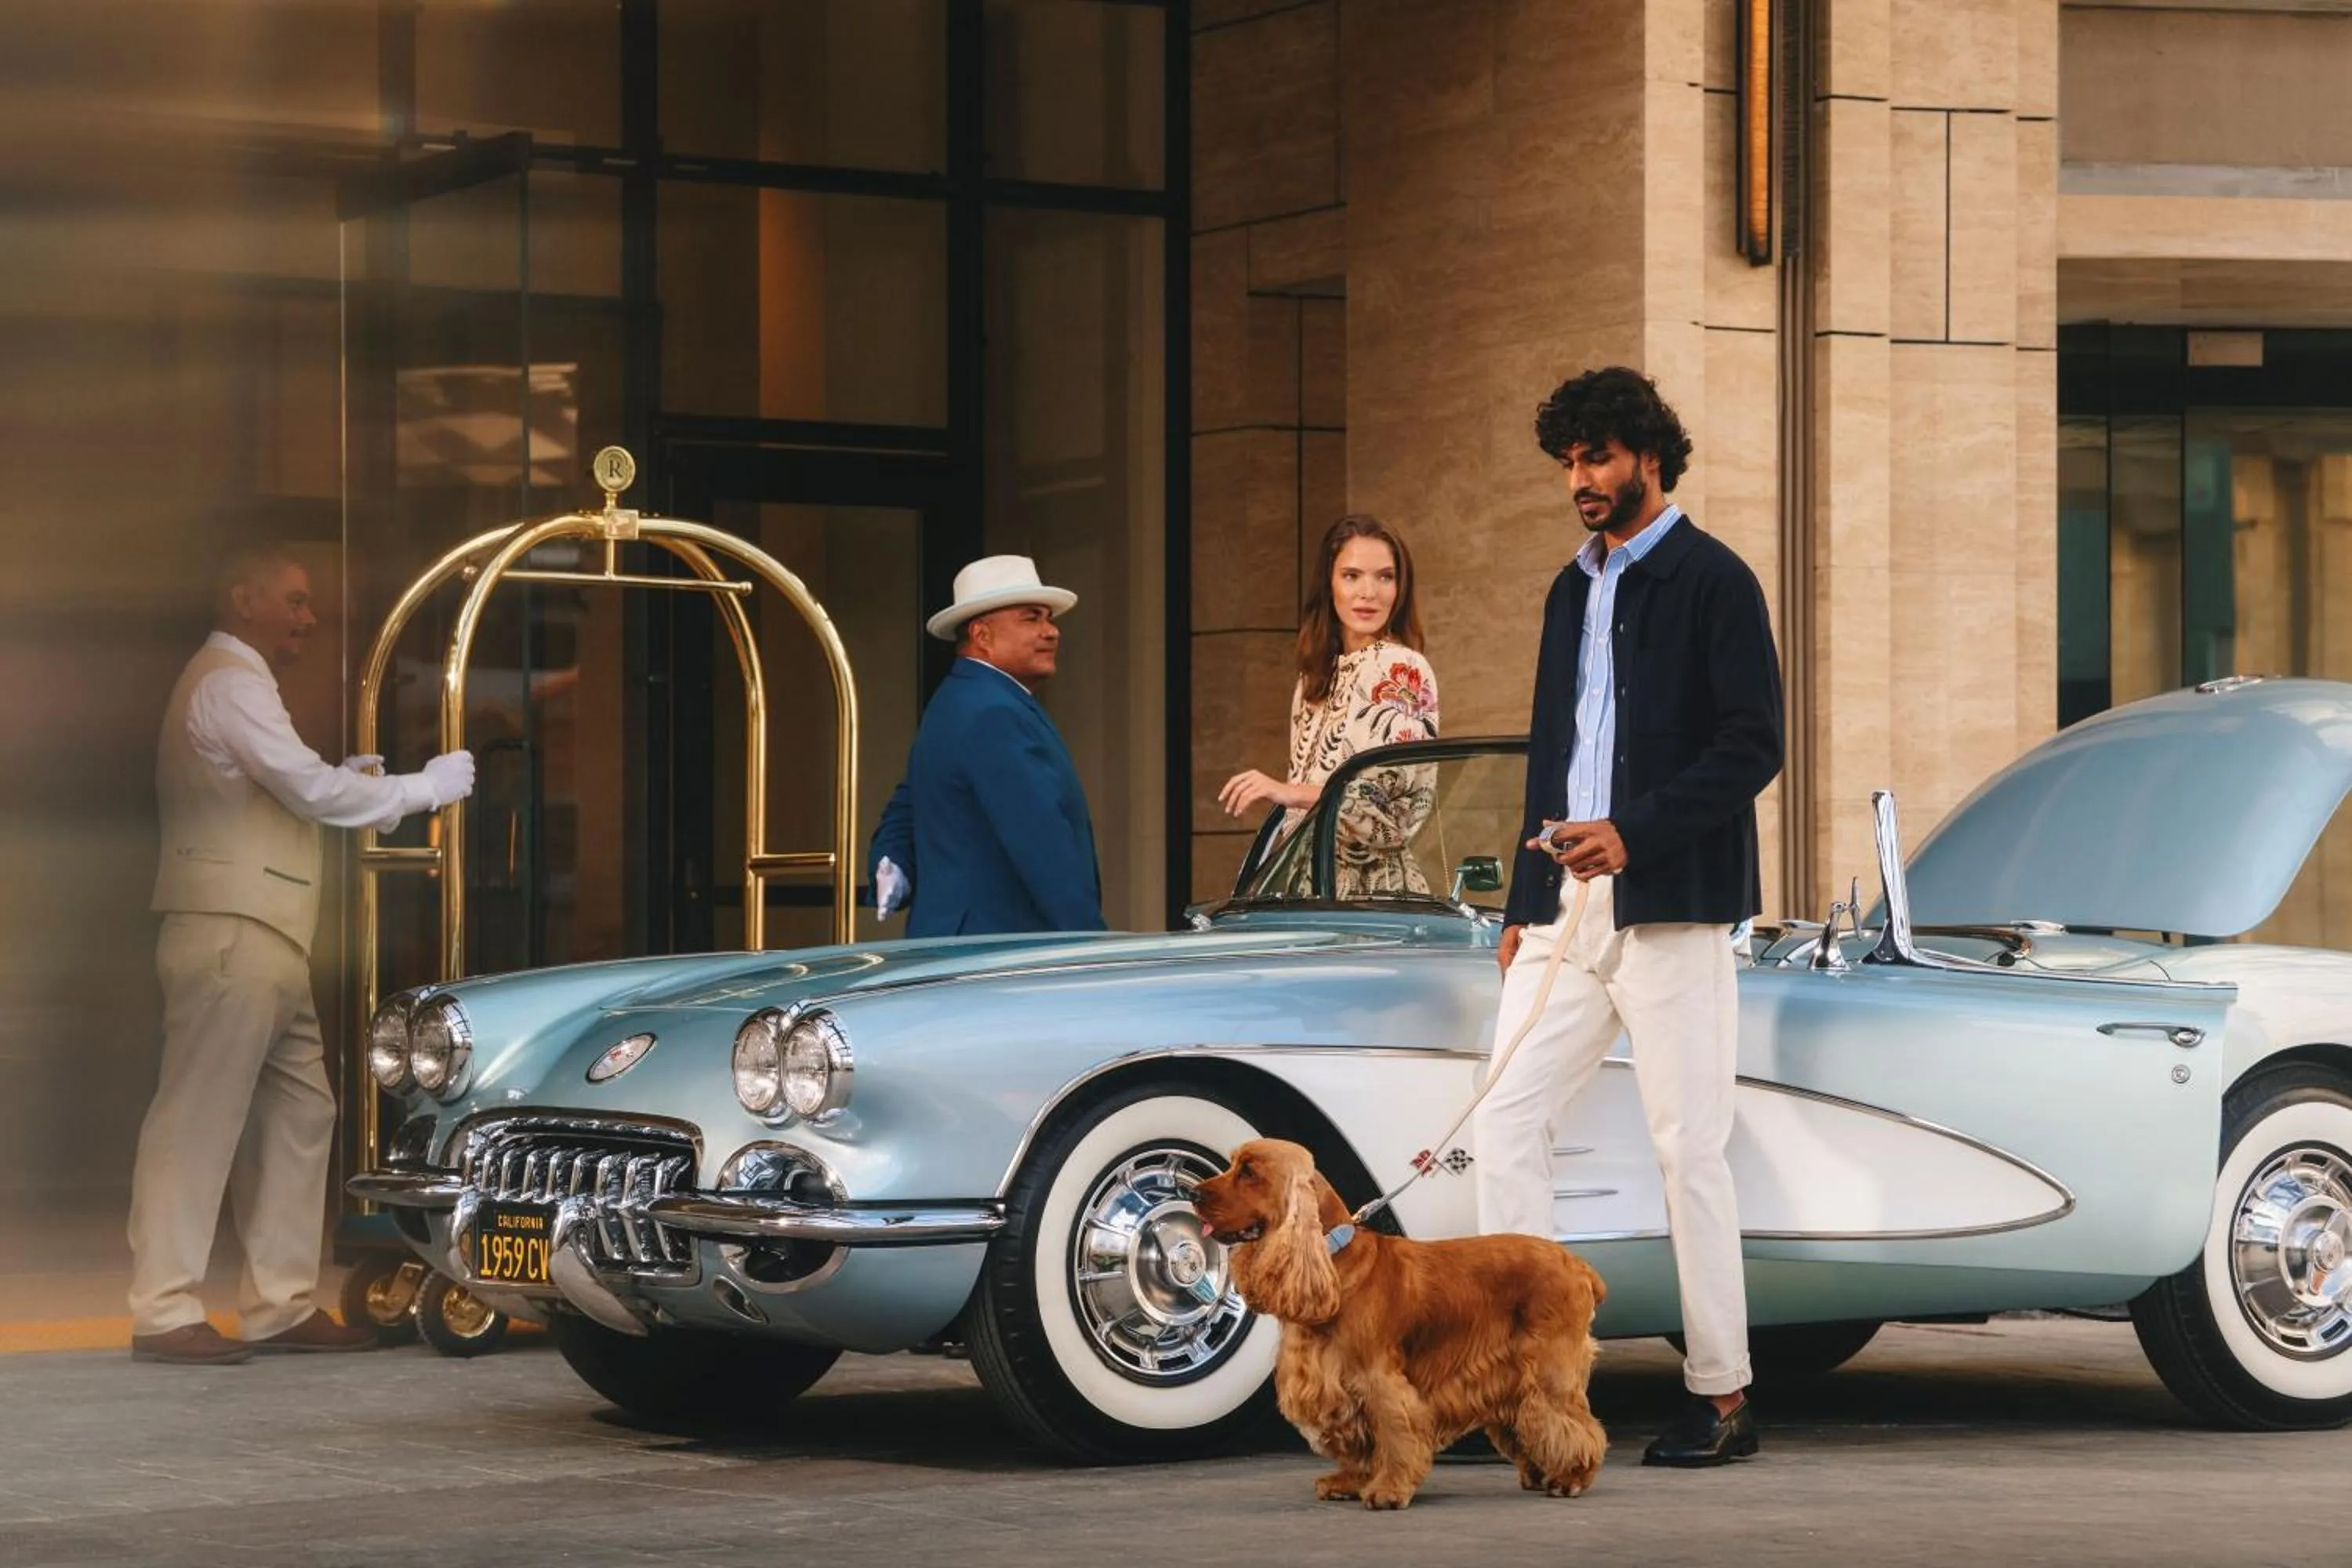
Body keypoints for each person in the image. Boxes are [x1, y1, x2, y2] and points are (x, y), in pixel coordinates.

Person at [1473, 367, 1784, 1467]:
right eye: (1568, 461)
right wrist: (1522, 902)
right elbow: (1549, 752)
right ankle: (1521, 1387)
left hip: (1671, 907)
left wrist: (1636, 833)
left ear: (1651, 458)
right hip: (1564, 907)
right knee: (1502, 1126)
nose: (1581, 481)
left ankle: (1723, 1393)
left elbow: (1754, 745)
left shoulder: (1715, 580)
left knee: (1687, 1149)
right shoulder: (1571, 588)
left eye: (1598, 458)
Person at [130, 544, 476, 1366]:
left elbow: (295, 784)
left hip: (263, 929)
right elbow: (307, 788)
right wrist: (418, 789)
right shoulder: (230, 680)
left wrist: (354, 780)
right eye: (293, 599)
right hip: (234, 928)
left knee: (301, 1112)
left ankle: (279, 1303)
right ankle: (162, 1306)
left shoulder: (233, 682)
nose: (307, 615)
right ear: (242, 596)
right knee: (198, 1117)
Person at [869, 555, 1103, 937]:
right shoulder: (992, 711)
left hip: (960, 944)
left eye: (1049, 618)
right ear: (982, 635)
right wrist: (1090, 943)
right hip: (998, 952)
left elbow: (909, 803)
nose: (1051, 631)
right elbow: (1042, 845)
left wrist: (892, 862)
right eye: (1032, 617)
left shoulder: (958, 698)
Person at [1216, 514, 1439, 898]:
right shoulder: (1312, 682)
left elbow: (1390, 816)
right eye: (1352, 576)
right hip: (1308, 893)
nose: (1368, 592)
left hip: (1375, 899)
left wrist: (1289, 792)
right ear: (1329, 585)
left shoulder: (1402, 669)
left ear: (1400, 588)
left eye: (1385, 576)